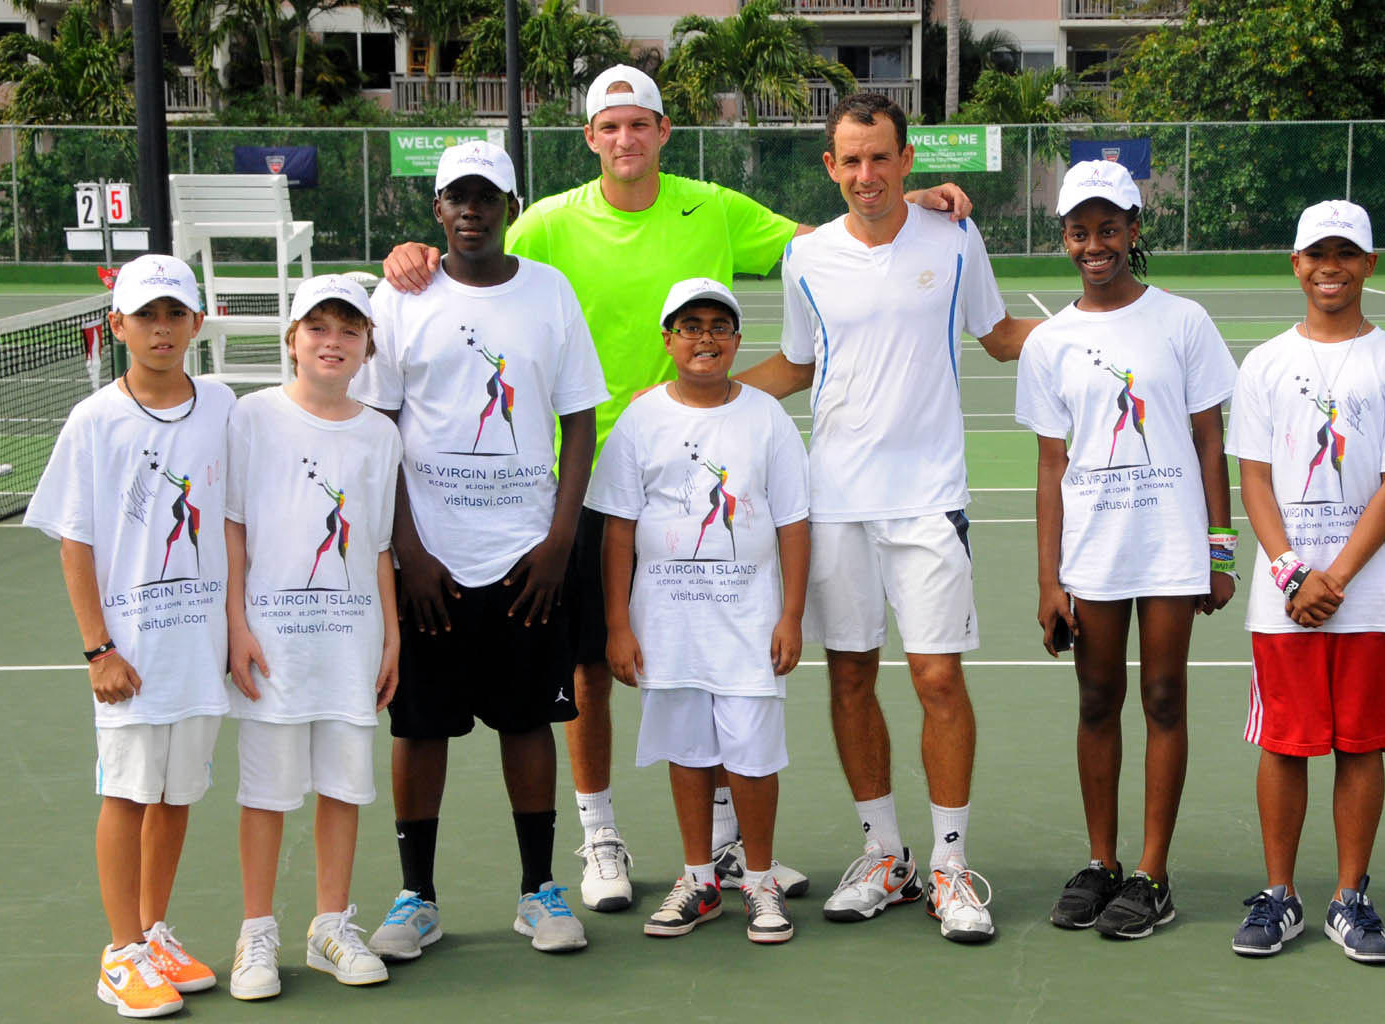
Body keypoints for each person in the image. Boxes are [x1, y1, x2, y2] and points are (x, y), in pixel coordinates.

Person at [382, 64, 974, 913]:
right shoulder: (545, 222)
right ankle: (599, 836)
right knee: (589, 667)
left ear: (664, 132)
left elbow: (834, 236)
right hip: (579, 483)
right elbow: (468, 262)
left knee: (714, 652)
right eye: (609, 126)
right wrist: (412, 255)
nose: (626, 139)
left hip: (707, 474)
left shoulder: (715, 208)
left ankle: (727, 851)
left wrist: (913, 204)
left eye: (641, 124)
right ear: (591, 138)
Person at [735, 92, 1033, 945]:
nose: (866, 175)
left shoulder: (956, 236)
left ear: (908, 160)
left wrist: (1104, 339)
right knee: (850, 677)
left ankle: (948, 865)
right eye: (850, 160)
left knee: (938, 679)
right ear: (830, 168)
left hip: (930, 499)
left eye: (880, 158)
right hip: (834, 502)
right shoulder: (807, 259)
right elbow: (798, 365)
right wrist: (704, 393)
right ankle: (885, 855)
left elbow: (1000, 334)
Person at [352, 141, 610, 958]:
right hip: (430, 561)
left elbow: (579, 419)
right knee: (417, 729)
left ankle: (538, 890)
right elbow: (379, 426)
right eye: (456, 198)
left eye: (486, 196)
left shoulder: (550, 292)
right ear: (438, 211)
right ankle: (415, 897)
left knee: (527, 721)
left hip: (527, 559)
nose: (471, 210)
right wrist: (409, 549)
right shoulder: (398, 300)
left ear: (509, 204)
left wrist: (560, 539)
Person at [1014, 159, 1237, 940]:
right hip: (1095, 552)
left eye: (1109, 228)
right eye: (1080, 231)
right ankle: (1103, 863)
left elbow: (1212, 442)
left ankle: (1152, 874)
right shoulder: (1051, 342)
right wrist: (1050, 579)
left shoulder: (1184, 322)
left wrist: (1220, 549)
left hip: (1172, 544)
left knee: (1164, 701)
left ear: (1134, 231)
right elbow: (1050, 464)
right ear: (1065, 239)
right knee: (1096, 700)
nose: (1094, 244)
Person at [1227, 201, 1385, 963]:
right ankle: (1279, 897)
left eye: (1346, 253)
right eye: (1316, 252)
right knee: (1285, 744)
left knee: (1359, 746)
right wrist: (1291, 572)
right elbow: (1253, 478)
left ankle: (1350, 900)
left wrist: (1335, 578)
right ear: (1294, 263)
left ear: (1369, 265)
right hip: (1284, 598)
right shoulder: (1262, 363)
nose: (1330, 266)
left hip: (1373, 599)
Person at [26, 254, 232, 1017]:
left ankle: (151, 933)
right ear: (117, 326)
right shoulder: (94, 420)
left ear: (196, 324)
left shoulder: (221, 406)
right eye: (145, 315)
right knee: (127, 795)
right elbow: (74, 540)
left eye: (175, 314)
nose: (161, 328)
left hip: (198, 650)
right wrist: (97, 647)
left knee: (175, 797)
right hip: (131, 656)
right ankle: (119, 954)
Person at [587, 278, 810, 943]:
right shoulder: (641, 419)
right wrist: (619, 624)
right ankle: (700, 879)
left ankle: (761, 883)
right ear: (669, 340)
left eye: (719, 325)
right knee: (687, 751)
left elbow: (795, 523)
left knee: (751, 754)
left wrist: (791, 615)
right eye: (690, 327)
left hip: (748, 622)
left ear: (737, 340)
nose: (705, 338)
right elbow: (619, 529)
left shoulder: (766, 416)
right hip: (668, 624)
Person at [223, 276, 403, 999]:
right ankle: (256, 933)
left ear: (366, 347)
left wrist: (390, 638)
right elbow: (233, 529)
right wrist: (236, 624)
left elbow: (380, 544)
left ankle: (331, 925)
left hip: (351, 640)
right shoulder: (250, 417)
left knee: (343, 787)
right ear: (291, 340)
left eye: (349, 330)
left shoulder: (379, 432)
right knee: (267, 793)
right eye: (317, 328)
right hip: (272, 641)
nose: (333, 342)